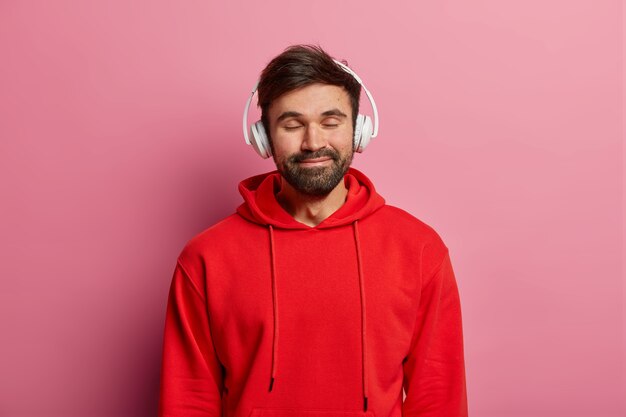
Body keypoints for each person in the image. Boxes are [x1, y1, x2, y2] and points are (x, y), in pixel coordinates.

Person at [158, 44, 468, 417]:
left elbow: (438, 398)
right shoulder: (205, 258)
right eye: (292, 125)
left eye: (331, 122)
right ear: (264, 138)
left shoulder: (419, 249)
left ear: (359, 130)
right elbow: (188, 400)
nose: (314, 142)